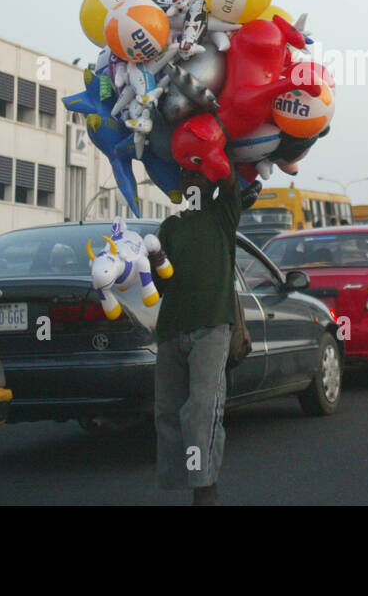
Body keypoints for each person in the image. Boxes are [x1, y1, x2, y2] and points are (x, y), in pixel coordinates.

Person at [153, 164, 242, 506]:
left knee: (202, 409)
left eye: (197, 174)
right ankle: (186, 480)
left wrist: (216, 148)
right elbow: (159, 285)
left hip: (212, 326)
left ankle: (205, 488)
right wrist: (157, 260)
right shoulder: (170, 227)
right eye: (185, 175)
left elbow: (231, 175)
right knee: (169, 411)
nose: (190, 180)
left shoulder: (223, 215)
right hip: (171, 328)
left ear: (211, 181)